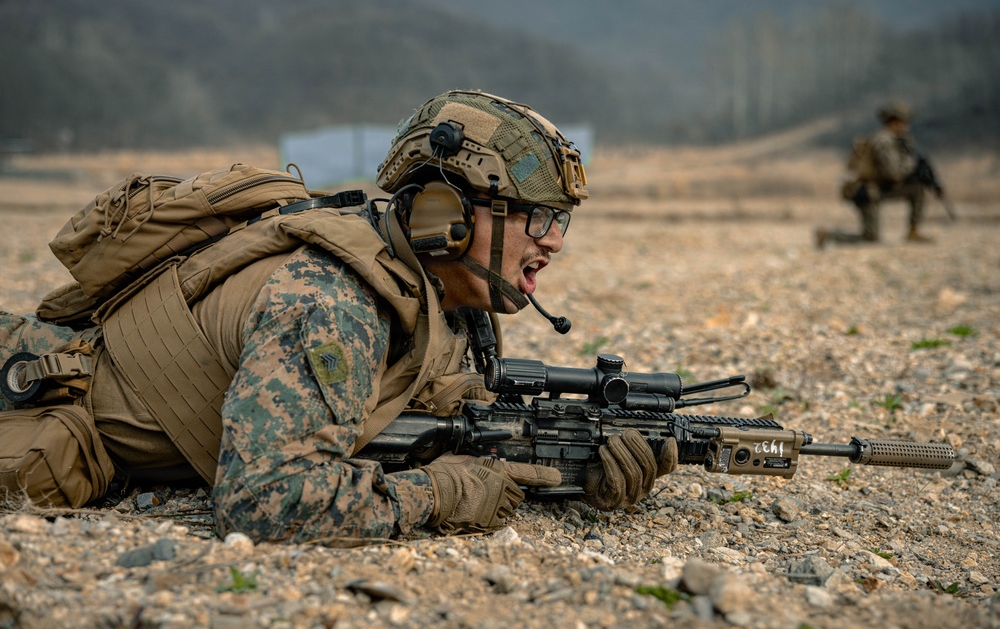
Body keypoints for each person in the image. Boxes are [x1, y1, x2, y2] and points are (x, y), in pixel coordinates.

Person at [0, 90, 678, 545]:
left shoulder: (445, 303)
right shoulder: (334, 300)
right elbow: (263, 499)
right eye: (536, 216)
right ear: (444, 215)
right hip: (40, 404)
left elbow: (429, 431)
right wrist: (438, 497)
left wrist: (574, 471)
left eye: (558, 221)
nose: (553, 240)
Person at [815, 102, 934, 248]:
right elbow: (893, 174)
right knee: (870, 238)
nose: (906, 127)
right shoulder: (884, 141)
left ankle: (913, 231)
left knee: (917, 188)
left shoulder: (896, 141)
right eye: (904, 123)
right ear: (895, 122)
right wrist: (912, 166)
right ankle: (828, 235)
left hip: (878, 189)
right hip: (866, 192)